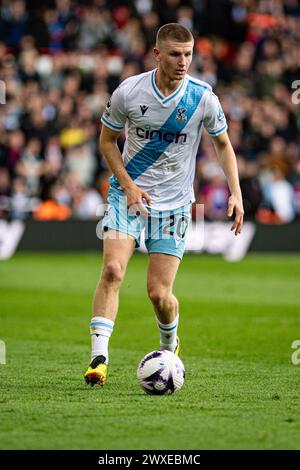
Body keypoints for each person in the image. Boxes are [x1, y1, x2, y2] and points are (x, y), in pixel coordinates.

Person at [84, 23, 244, 387]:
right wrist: (127, 186)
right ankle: (98, 359)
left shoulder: (203, 97)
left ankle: (169, 347)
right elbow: (107, 141)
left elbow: (222, 144)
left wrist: (235, 191)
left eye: (188, 54)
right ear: (157, 54)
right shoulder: (129, 91)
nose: (183, 61)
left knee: (159, 294)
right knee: (113, 270)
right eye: (175, 54)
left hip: (174, 206)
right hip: (127, 195)